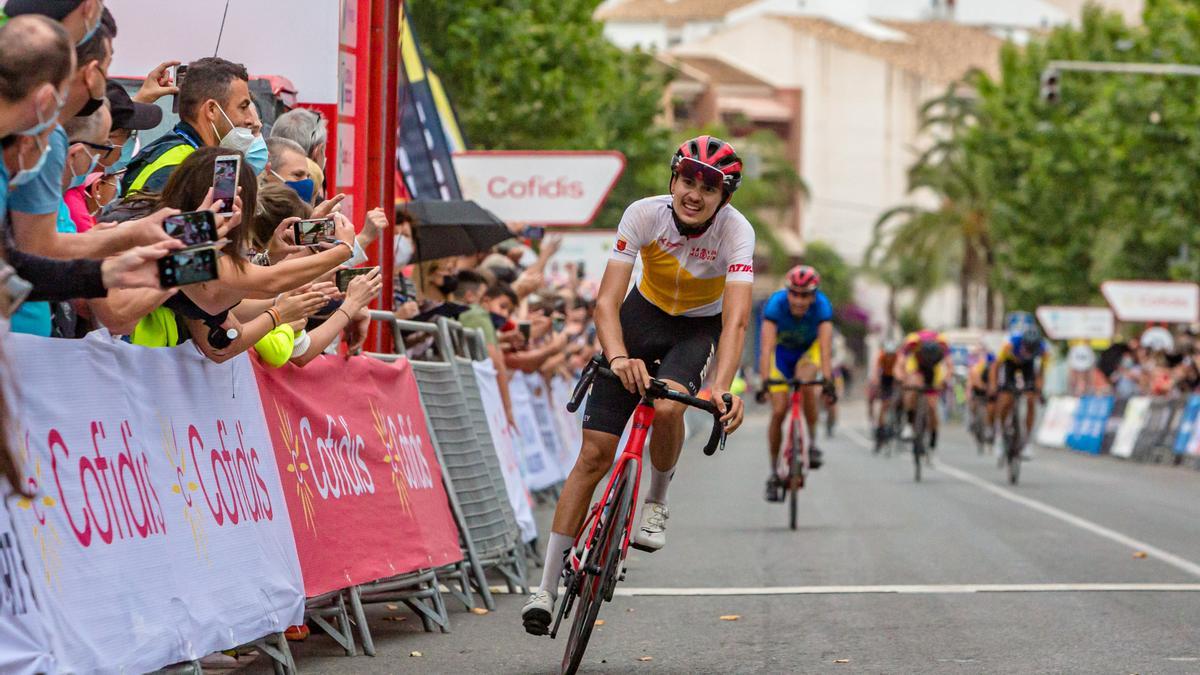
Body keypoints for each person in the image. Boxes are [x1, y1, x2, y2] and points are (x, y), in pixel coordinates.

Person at [522, 136, 754, 635]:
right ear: (673, 179)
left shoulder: (738, 233)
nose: (695, 194)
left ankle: (656, 501)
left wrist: (721, 387)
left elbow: (734, 321)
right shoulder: (644, 214)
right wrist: (619, 356)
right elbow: (606, 302)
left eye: (709, 188)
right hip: (639, 317)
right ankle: (544, 587)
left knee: (670, 407)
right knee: (593, 456)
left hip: (696, 329)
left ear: (724, 197)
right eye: (688, 181)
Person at [755, 265, 836, 501]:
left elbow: (825, 348)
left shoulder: (822, 307)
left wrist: (828, 382)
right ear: (787, 292)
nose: (799, 301)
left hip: (806, 354)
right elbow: (766, 347)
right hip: (781, 355)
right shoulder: (775, 305)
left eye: (805, 295)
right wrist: (763, 382)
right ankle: (772, 472)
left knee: (805, 384)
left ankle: (812, 442)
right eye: (794, 294)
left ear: (814, 295)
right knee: (779, 411)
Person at [121, 57, 255, 195]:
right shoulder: (179, 167)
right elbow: (164, 217)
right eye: (243, 107)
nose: (251, 120)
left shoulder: (207, 161)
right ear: (211, 110)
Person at [989, 326, 1048, 458]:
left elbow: (1041, 373)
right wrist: (994, 386)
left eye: (1031, 350)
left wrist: (1039, 390)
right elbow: (995, 367)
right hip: (1010, 365)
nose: (1028, 352)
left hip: (1028, 367)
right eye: (1027, 348)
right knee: (1005, 400)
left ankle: (1027, 442)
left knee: (1031, 401)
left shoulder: (1043, 350)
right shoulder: (1009, 345)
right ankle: (999, 436)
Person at [896, 329, 951, 456]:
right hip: (917, 368)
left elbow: (949, 366)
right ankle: (909, 425)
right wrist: (902, 378)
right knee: (912, 389)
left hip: (934, 371)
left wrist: (945, 381)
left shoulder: (942, 343)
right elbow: (900, 364)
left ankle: (933, 433)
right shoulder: (912, 342)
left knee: (932, 407)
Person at [869, 337, 900, 444]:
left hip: (894, 378)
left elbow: (901, 370)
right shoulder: (881, 356)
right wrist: (876, 382)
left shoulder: (898, 357)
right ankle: (880, 428)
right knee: (884, 404)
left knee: (896, 401)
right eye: (888, 354)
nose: (889, 357)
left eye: (891, 354)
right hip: (884, 379)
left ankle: (896, 422)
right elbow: (876, 371)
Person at [967, 345, 996, 450]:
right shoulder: (977, 366)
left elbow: (995, 382)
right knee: (973, 404)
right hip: (978, 388)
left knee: (992, 406)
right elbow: (972, 380)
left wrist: (991, 389)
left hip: (989, 387)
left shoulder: (993, 365)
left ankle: (990, 427)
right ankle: (973, 420)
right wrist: (969, 394)